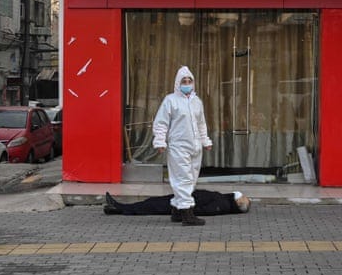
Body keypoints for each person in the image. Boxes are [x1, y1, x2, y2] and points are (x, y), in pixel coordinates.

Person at [152, 66, 212, 226]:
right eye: (183, 81)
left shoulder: (196, 102)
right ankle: (187, 214)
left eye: (189, 81)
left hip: (195, 147)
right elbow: (161, 123)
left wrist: (205, 141)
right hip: (178, 146)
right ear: (178, 83)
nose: (187, 83)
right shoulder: (170, 100)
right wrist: (160, 141)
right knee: (183, 179)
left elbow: (201, 124)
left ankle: (177, 210)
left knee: (191, 179)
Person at [103, 190, 251, 217]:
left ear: (238, 203)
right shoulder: (224, 200)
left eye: (245, 198)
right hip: (183, 198)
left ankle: (119, 207)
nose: (245, 196)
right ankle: (117, 208)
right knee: (151, 203)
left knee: (150, 206)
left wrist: (185, 207)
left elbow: (205, 210)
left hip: (182, 202)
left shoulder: (224, 205)